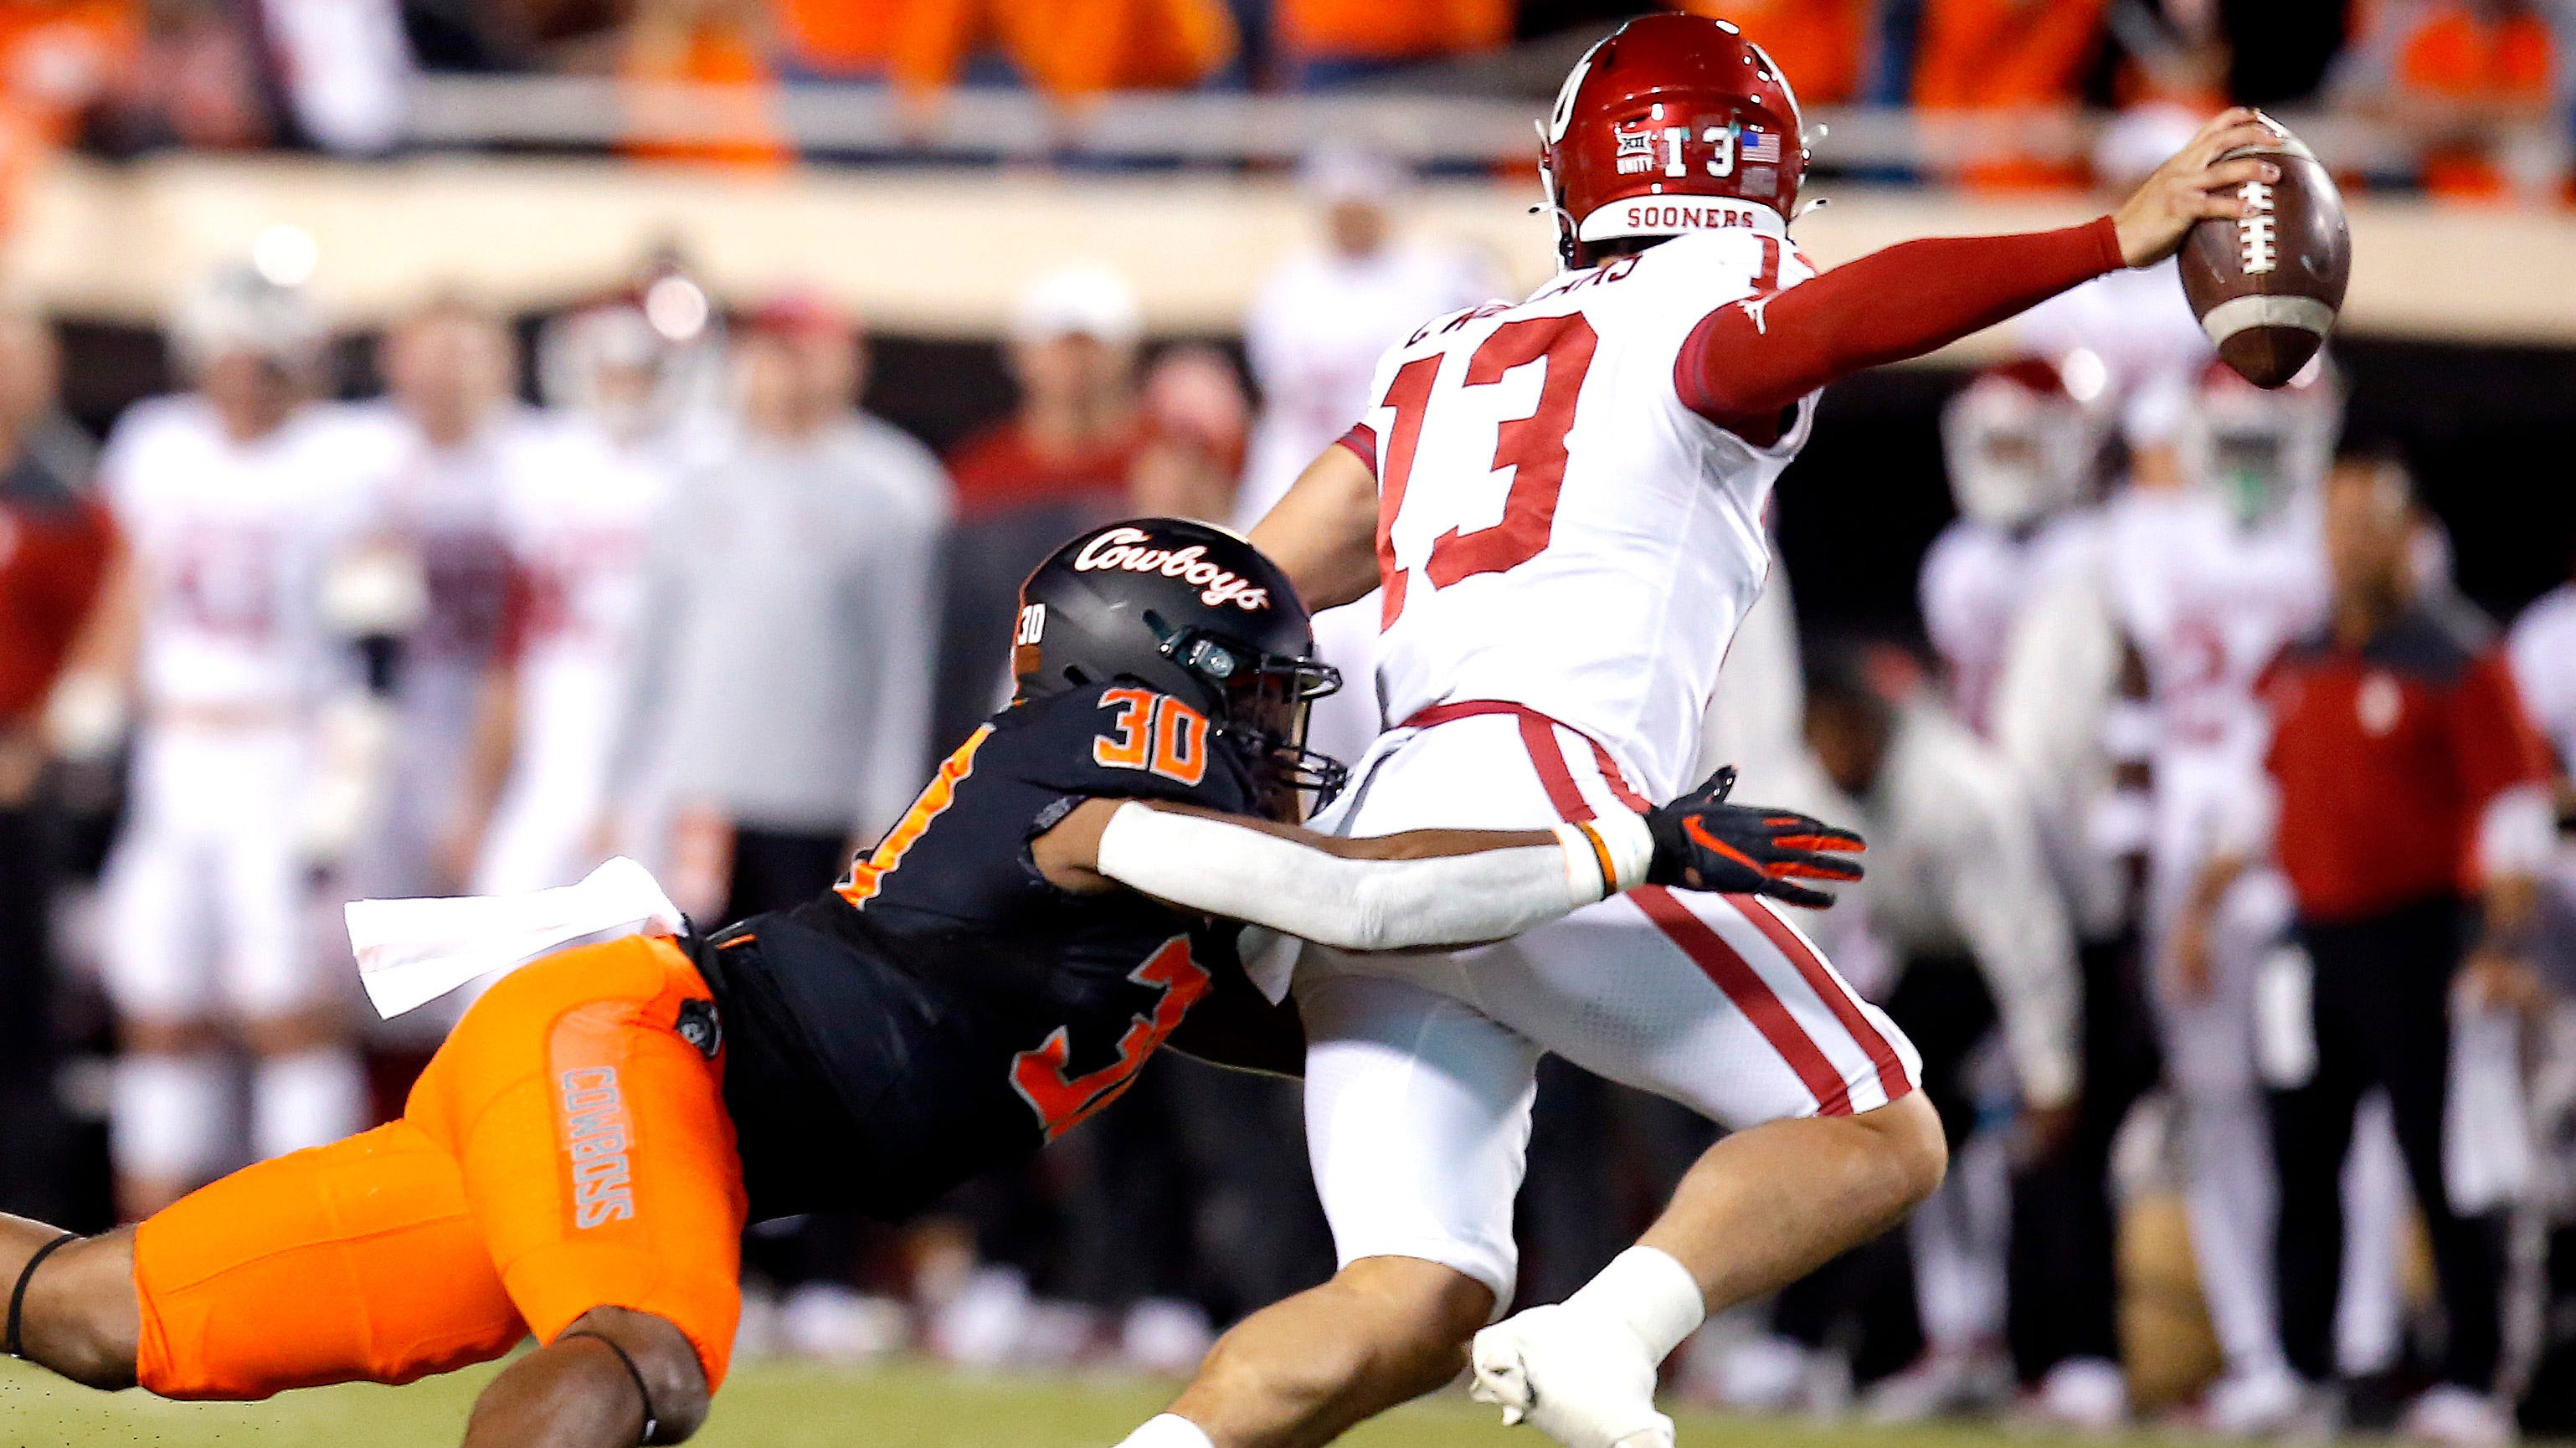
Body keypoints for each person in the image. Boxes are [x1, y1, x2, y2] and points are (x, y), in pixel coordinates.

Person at [0, 516, 1864, 1448]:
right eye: (1269, 699)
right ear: (1162, 682)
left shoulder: (1135, 878)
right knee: (647, 1354)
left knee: (100, 1316)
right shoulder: (1095, 781)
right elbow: (1346, 905)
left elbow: (1357, 987)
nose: (1290, 736)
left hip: (615, 1080)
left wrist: (1594, 1008)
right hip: (635, 1052)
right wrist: (1629, 847)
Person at [1113, 17, 2288, 1448]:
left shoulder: (1445, 350)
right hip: (1540, 800)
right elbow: (1815, 328)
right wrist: (2107, 239)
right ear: (1760, 175)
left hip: (1388, 833)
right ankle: (1605, 1337)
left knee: (1408, 1302)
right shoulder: (1709, 298)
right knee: (1878, 1122)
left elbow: (1252, 573)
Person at [2175, 454, 2556, 1448]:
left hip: (2421, 937)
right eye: (2335, 525)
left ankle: (2475, 1377)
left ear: (2404, 535)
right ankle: (2302, 1367)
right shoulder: (2299, 658)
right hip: (2313, 941)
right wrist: (2197, 909)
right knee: (2304, 1162)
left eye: (2366, 526)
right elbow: (2264, 795)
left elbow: (2511, 810)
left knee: (2445, 1164)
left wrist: (2496, 939)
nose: (2348, 546)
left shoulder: (2454, 656)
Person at [68, 266, 375, 1222]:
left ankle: (315, 1247)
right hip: (175, 754)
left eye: (267, 360)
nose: (246, 380)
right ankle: (138, 1255)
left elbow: (380, 637)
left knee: (288, 1010)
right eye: (231, 359)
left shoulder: (344, 456)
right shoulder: (158, 443)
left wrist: (352, 767)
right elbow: (133, 584)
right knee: (157, 1009)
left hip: (285, 750)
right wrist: (93, 703)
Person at [1790, 652, 2082, 1425]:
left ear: (1866, 724)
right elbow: (1816, 911)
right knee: (1907, 1151)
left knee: (1982, 1157)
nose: (1826, 757)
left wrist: (2051, 1069)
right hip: (1930, 967)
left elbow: (2024, 940)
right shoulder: (1844, 790)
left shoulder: (1955, 793)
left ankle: (2001, 1346)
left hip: (2004, 973)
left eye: (1833, 737)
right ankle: (1954, 1340)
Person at [612, 293, 948, 925]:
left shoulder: (895, 488)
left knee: (798, 992)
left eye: (799, 354)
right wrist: (619, 789)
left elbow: (909, 664)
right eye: (766, 353)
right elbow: (652, 649)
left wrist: (889, 811)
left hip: (820, 801)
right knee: (693, 988)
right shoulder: (696, 479)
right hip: (703, 795)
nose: (780, 372)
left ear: (846, 363)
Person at [1238, 145, 1498, 779]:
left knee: (1411, 672)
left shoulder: (1439, 274)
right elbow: (1283, 410)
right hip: (1322, 491)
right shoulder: (1286, 286)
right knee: (1305, 667)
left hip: (1410, 500)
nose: (1350, 219)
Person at [464, 303, 681, 896]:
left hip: (655, 745)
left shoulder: (699, 466)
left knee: (643, 947)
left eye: (640, 372)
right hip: (554, 730)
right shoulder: (536, 461)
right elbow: (512, 628)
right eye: (609, 369)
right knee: (505, 928)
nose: (624, 387)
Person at [933, 263, 1146, 754]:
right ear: (1020, 355)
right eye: (1057, 346)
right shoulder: (979, 471)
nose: (1074, 365)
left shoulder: (1167, 466)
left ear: (1125, 355)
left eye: (1090, 346)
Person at [0, 311, 114, 1221]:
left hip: (19, 775)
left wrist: (48, 740)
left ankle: (26, 1217)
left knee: (25, 999)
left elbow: (110, 630)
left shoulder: (68, 496)